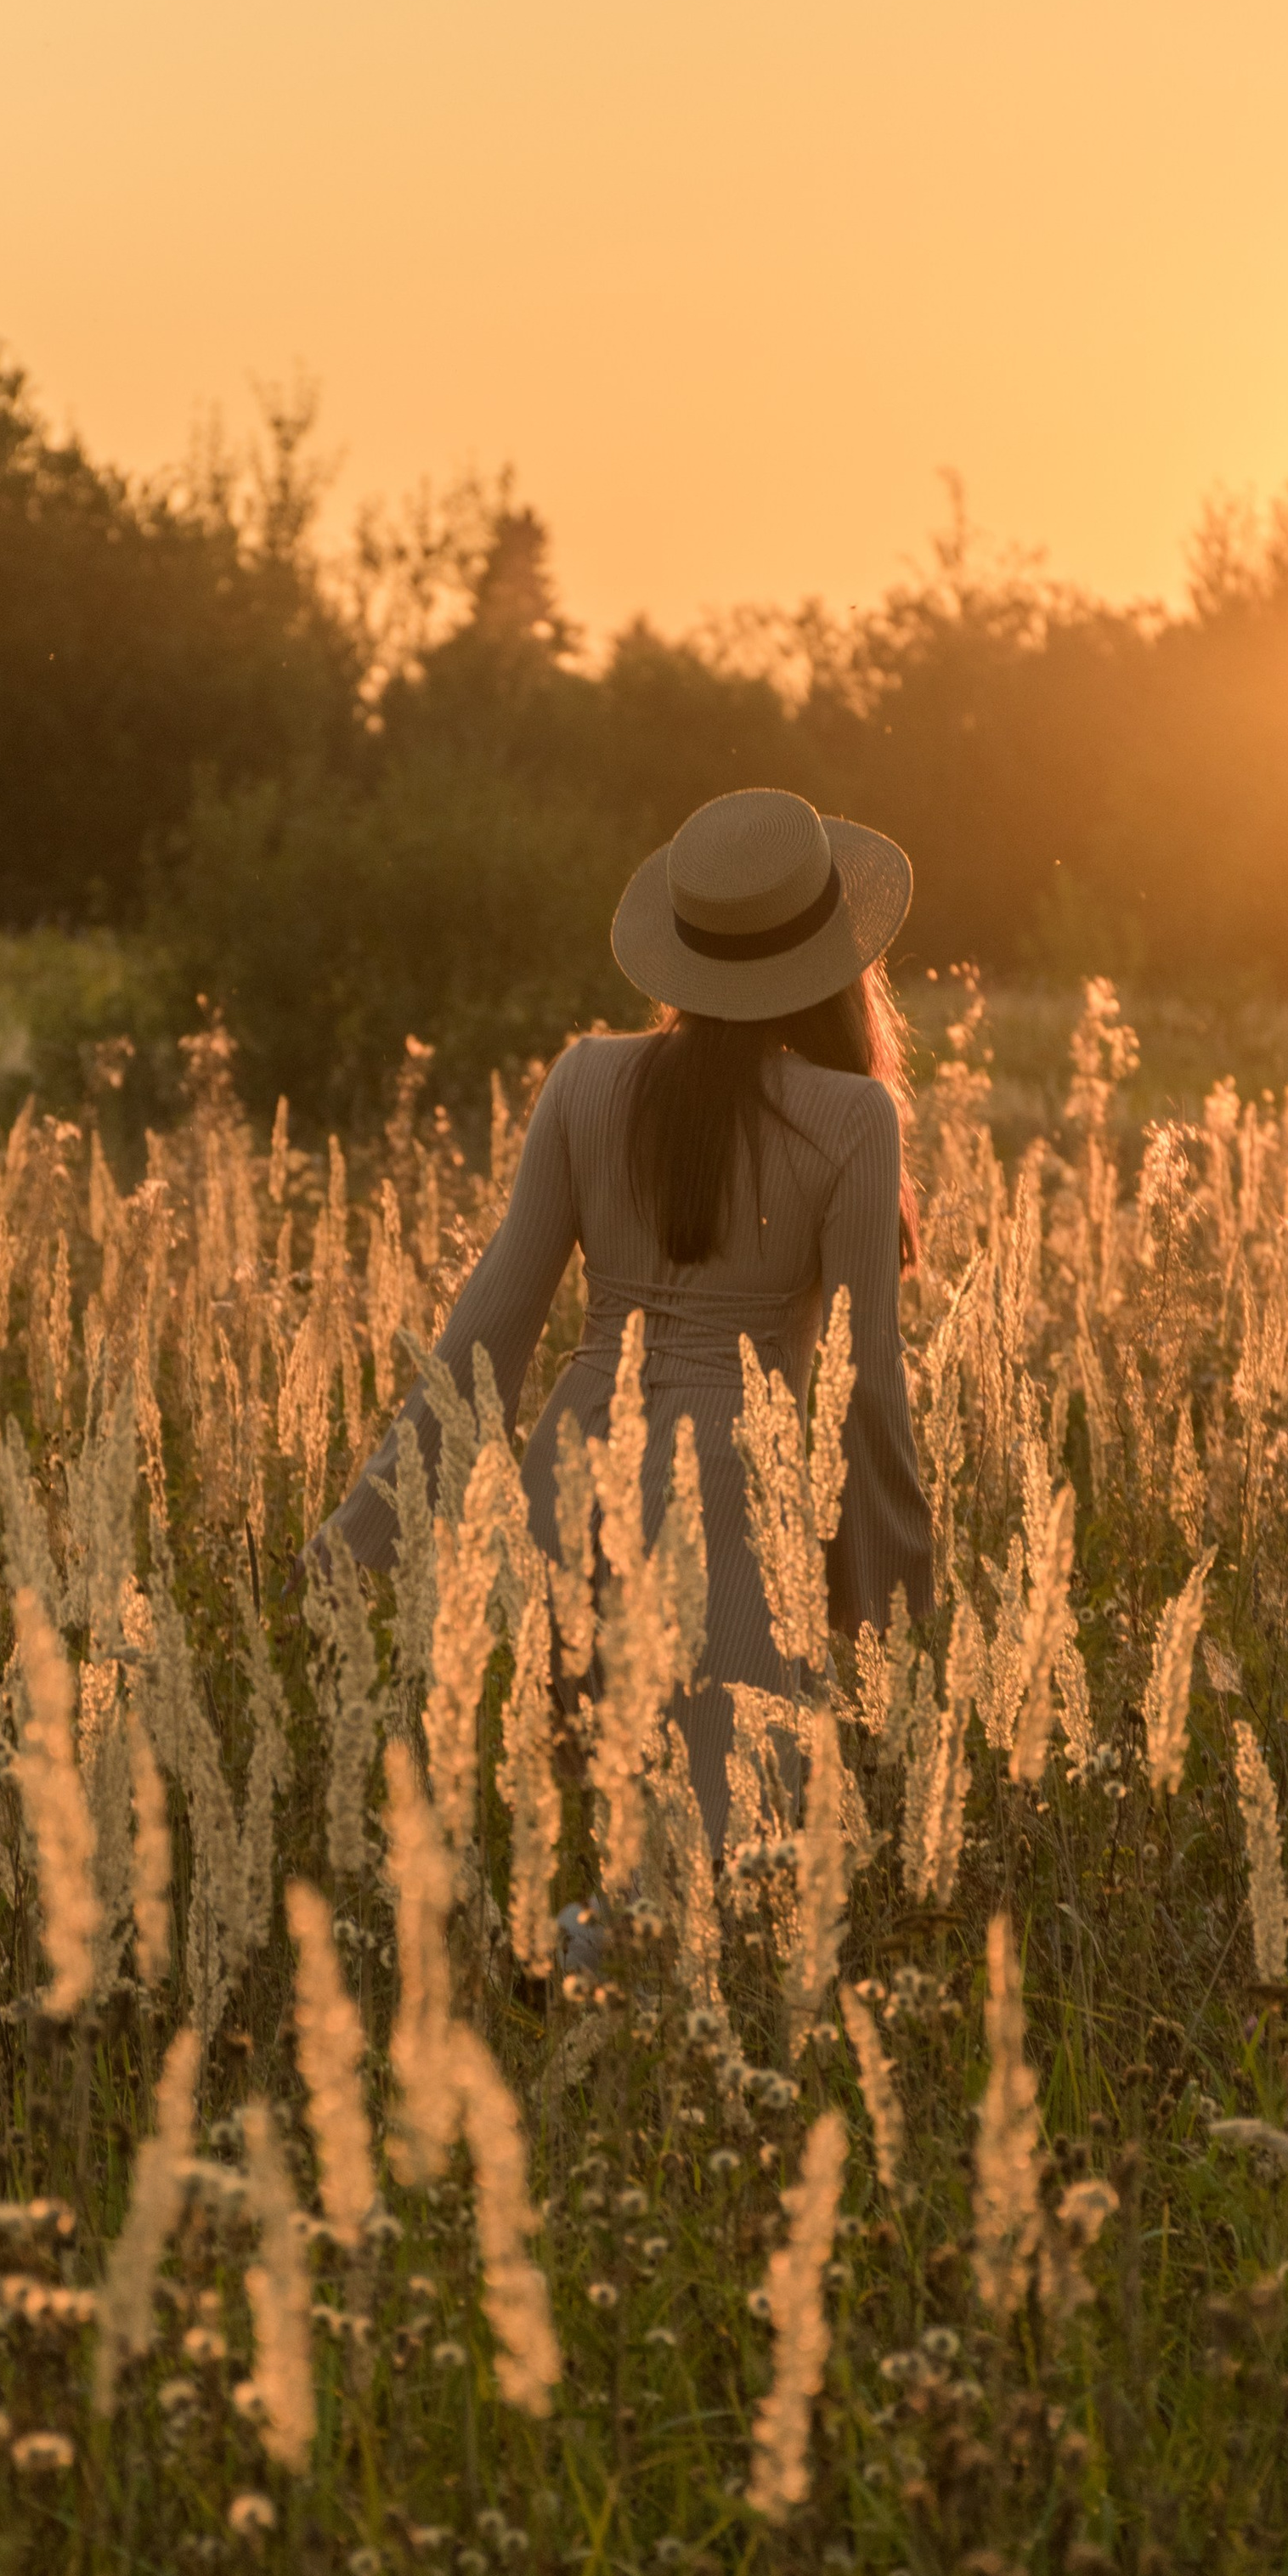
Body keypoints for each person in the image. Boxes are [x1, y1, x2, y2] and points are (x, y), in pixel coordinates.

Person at [314, 785, 935, 1848]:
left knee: (599, 1840)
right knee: (725, 1856)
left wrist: (361, 1529)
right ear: (833, 959)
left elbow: (493, 1321)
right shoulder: (853, 1116)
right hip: (734, 1503)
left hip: (572, 1480)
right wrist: (889, 1598)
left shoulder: (584, 1080)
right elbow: (864, 1380)